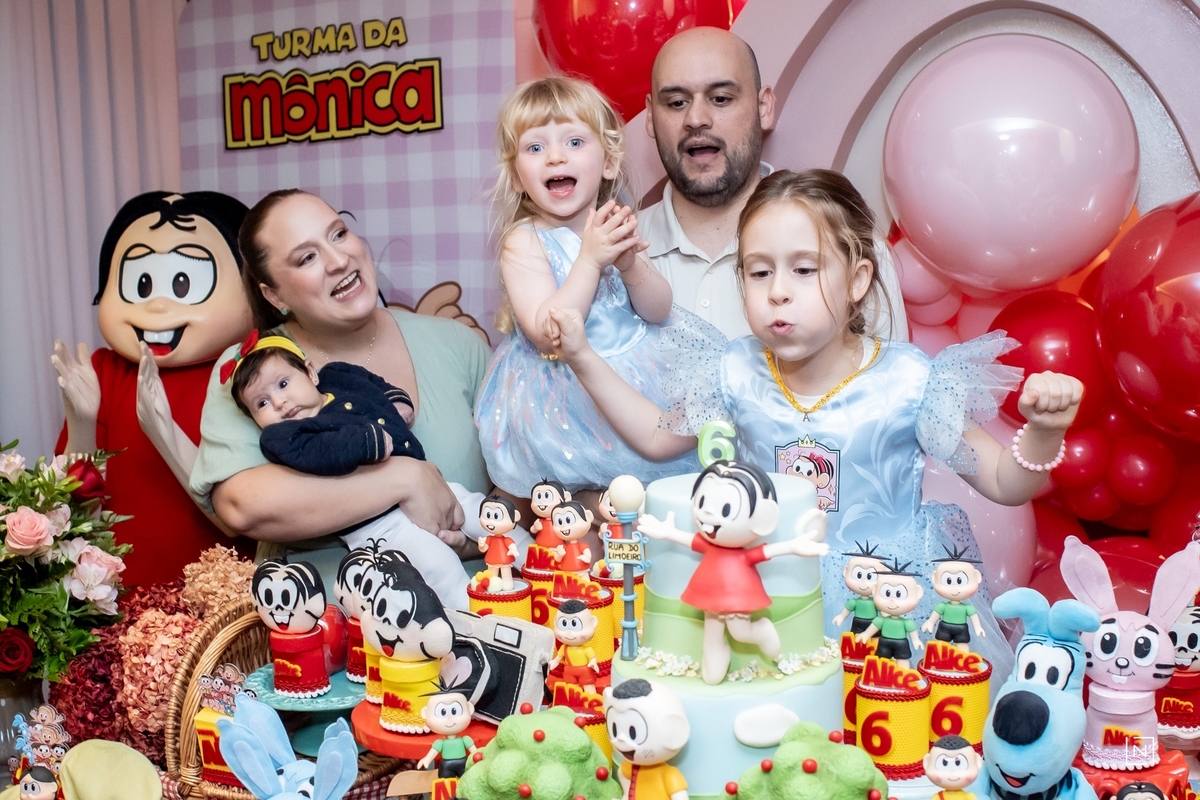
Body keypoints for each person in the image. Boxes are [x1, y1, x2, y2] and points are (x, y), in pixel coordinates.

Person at [546, 169, 1082, 677]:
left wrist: (1044, 432)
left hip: (887, 609)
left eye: (804, 269)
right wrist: (582, 357)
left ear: (857, 280)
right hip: (766, 599)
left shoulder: (910, 380)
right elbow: (655, 437)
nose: (778, 290)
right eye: (759, 272)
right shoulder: (733, 371)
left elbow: (1005, 483)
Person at [190, 189, 498, 587]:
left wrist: (475, 544)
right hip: (325, 618)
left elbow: (520, 486)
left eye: (338, 234)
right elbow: (242, 505)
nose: (338, 260)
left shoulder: (459, 344)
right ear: (274, 294)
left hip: (484, 605)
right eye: (307, 257)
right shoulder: (251, 370)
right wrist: (404, 480)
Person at [474, 76, 726, 497]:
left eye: (574, 142)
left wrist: (630, 266)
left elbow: (658, 310)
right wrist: (590, 260)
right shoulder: (524, 240)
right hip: (566, 391)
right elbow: (548, 333)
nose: (555, 157)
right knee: (591, 492)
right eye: (535, 148)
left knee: (675, 453)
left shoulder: (615, 222)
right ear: (517, 177)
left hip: (638, 372)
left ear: (608, 163)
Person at [640, 27, 905, 342]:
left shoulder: (852, 251)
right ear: (650, 117)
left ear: (763, 107)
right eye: (676, 102)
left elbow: (891, 373)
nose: (696, 119)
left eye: (721, 98)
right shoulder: (605, 257)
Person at [51, 191, 255, 585]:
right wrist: (82, 424)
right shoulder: (106, 371)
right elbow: (77, 518)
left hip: (225, 600)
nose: (158, 306)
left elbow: (248, 518)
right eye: (141, 283)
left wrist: (166, 435)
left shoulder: (251, 369)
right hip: (121, 596)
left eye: (183, 282)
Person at [224, 332, 506, 609]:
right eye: (261, 403)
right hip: (378, 524)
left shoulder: (338, 377)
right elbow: (322, 453)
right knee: (436, 565)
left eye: (283, 384)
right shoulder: (283, 436)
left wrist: (394, 400)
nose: (279, 402)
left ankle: (529, 558)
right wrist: (368, 443)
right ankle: (475, 617)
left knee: (488, 514)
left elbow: (369, 383)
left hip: (434, 490)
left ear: (310, 372)